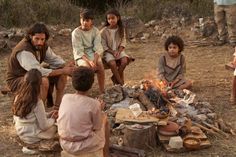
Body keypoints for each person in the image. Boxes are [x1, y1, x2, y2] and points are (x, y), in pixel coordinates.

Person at [6, 22, 75, 109]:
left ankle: (57, 107)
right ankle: (39, 110)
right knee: (43, 80)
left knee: (62, 73)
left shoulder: (42, 45)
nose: (40, 42)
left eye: (42, 39)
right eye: (37, 39)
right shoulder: (24, 50)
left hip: (32, 75)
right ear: (31, 36)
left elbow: (54, 59)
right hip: (17, 79)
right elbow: (38, 71)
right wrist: (63, 70)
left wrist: (67, 66)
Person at [57, 66, 110, 157]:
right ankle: (106, 154)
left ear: (73, 82)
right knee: (105, 120)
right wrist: (99, 110)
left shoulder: (65, 97)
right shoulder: (94, 104)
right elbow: (97, 127)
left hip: (64, 143)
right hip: (83, 146)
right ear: (91, 83)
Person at [12, 69, 57, 145]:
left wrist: (49, 114)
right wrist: (53, 119)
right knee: (56, 127)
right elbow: (44, 126)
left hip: (21, 132)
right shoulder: (37, 101)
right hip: (32, 135)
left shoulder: (18, 97)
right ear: (39, 84)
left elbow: (32, 115)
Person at [72, 9, 105, 94]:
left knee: (100, 66)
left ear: (91, 21)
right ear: (80, 20)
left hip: (93, 54)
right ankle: (83, 92)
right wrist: (89, 61)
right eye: (83, 20)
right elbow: (78, 50)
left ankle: (102, 90)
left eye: (87, 20)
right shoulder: (76, 32)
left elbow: (98, 47)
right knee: (86, 68)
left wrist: (94, 61)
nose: (84, 23)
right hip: (81, 56)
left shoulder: (95, 31)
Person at [100, 9, 129, 85]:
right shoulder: (103, 31)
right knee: (112, 63)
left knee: (124, 61)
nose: (111, 20)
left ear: (118, 18)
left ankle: (114, 77)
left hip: (119, 50)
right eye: (109, 19)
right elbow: (103, 45)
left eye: (113, 18)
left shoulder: (121, 29)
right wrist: (113, 52)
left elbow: (123, 41)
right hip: (108, 52)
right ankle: (120, 82)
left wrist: (119, 51)